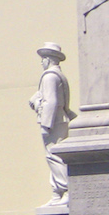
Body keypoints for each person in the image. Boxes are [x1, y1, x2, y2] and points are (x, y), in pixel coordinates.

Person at [29, 42, 73, 205]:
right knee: (52, 157)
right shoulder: (56, 76)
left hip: (54, 121)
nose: (41, 63)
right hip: (58, 119)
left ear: (48, 59)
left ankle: (67, 190)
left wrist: (46, 124)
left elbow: (52, 101)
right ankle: (57, 194)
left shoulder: (50, 77)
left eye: (43, 59)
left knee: (55, 156)